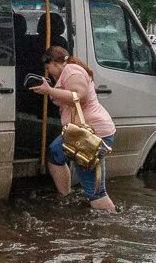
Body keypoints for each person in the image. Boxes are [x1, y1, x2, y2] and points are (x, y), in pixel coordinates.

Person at [29, 45, 118, 213]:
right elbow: (65, 99)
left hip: (91, 134)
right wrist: (52, 91)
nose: (50, 72)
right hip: (80, 133)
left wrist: (50, 90)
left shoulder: (71, 71)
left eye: (49, 68)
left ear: (55, 63)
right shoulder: (67, 72)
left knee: (96, 192)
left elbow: (78, 96)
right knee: (55, 153)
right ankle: (66, 196)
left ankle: (110, 223)